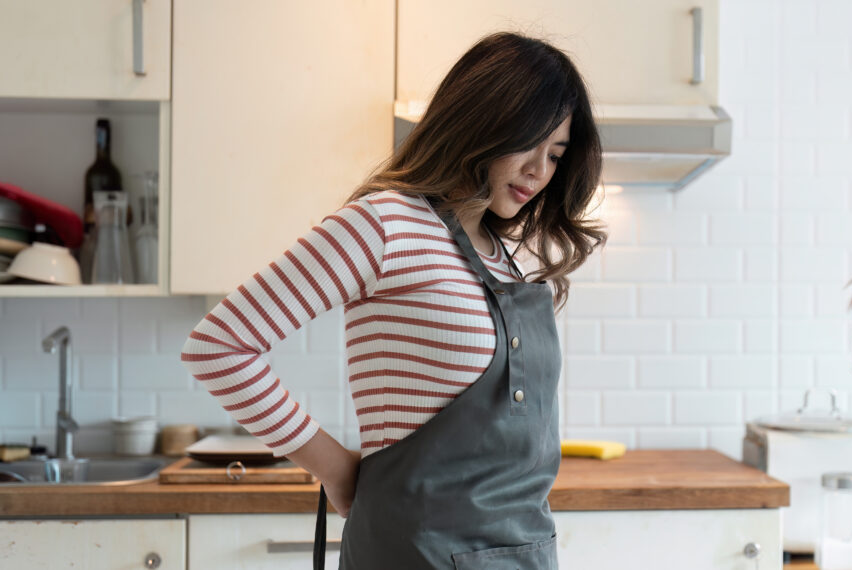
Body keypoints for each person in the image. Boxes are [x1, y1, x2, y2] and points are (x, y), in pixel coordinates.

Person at [180, 32, 605, 569]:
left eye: (556, 155)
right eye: (531, 143)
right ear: (481, 122)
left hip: (520, 554)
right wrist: (335, 468)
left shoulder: (502, 255)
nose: (540, 171)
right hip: (414, 552)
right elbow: (219, 347)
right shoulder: (384, 224)